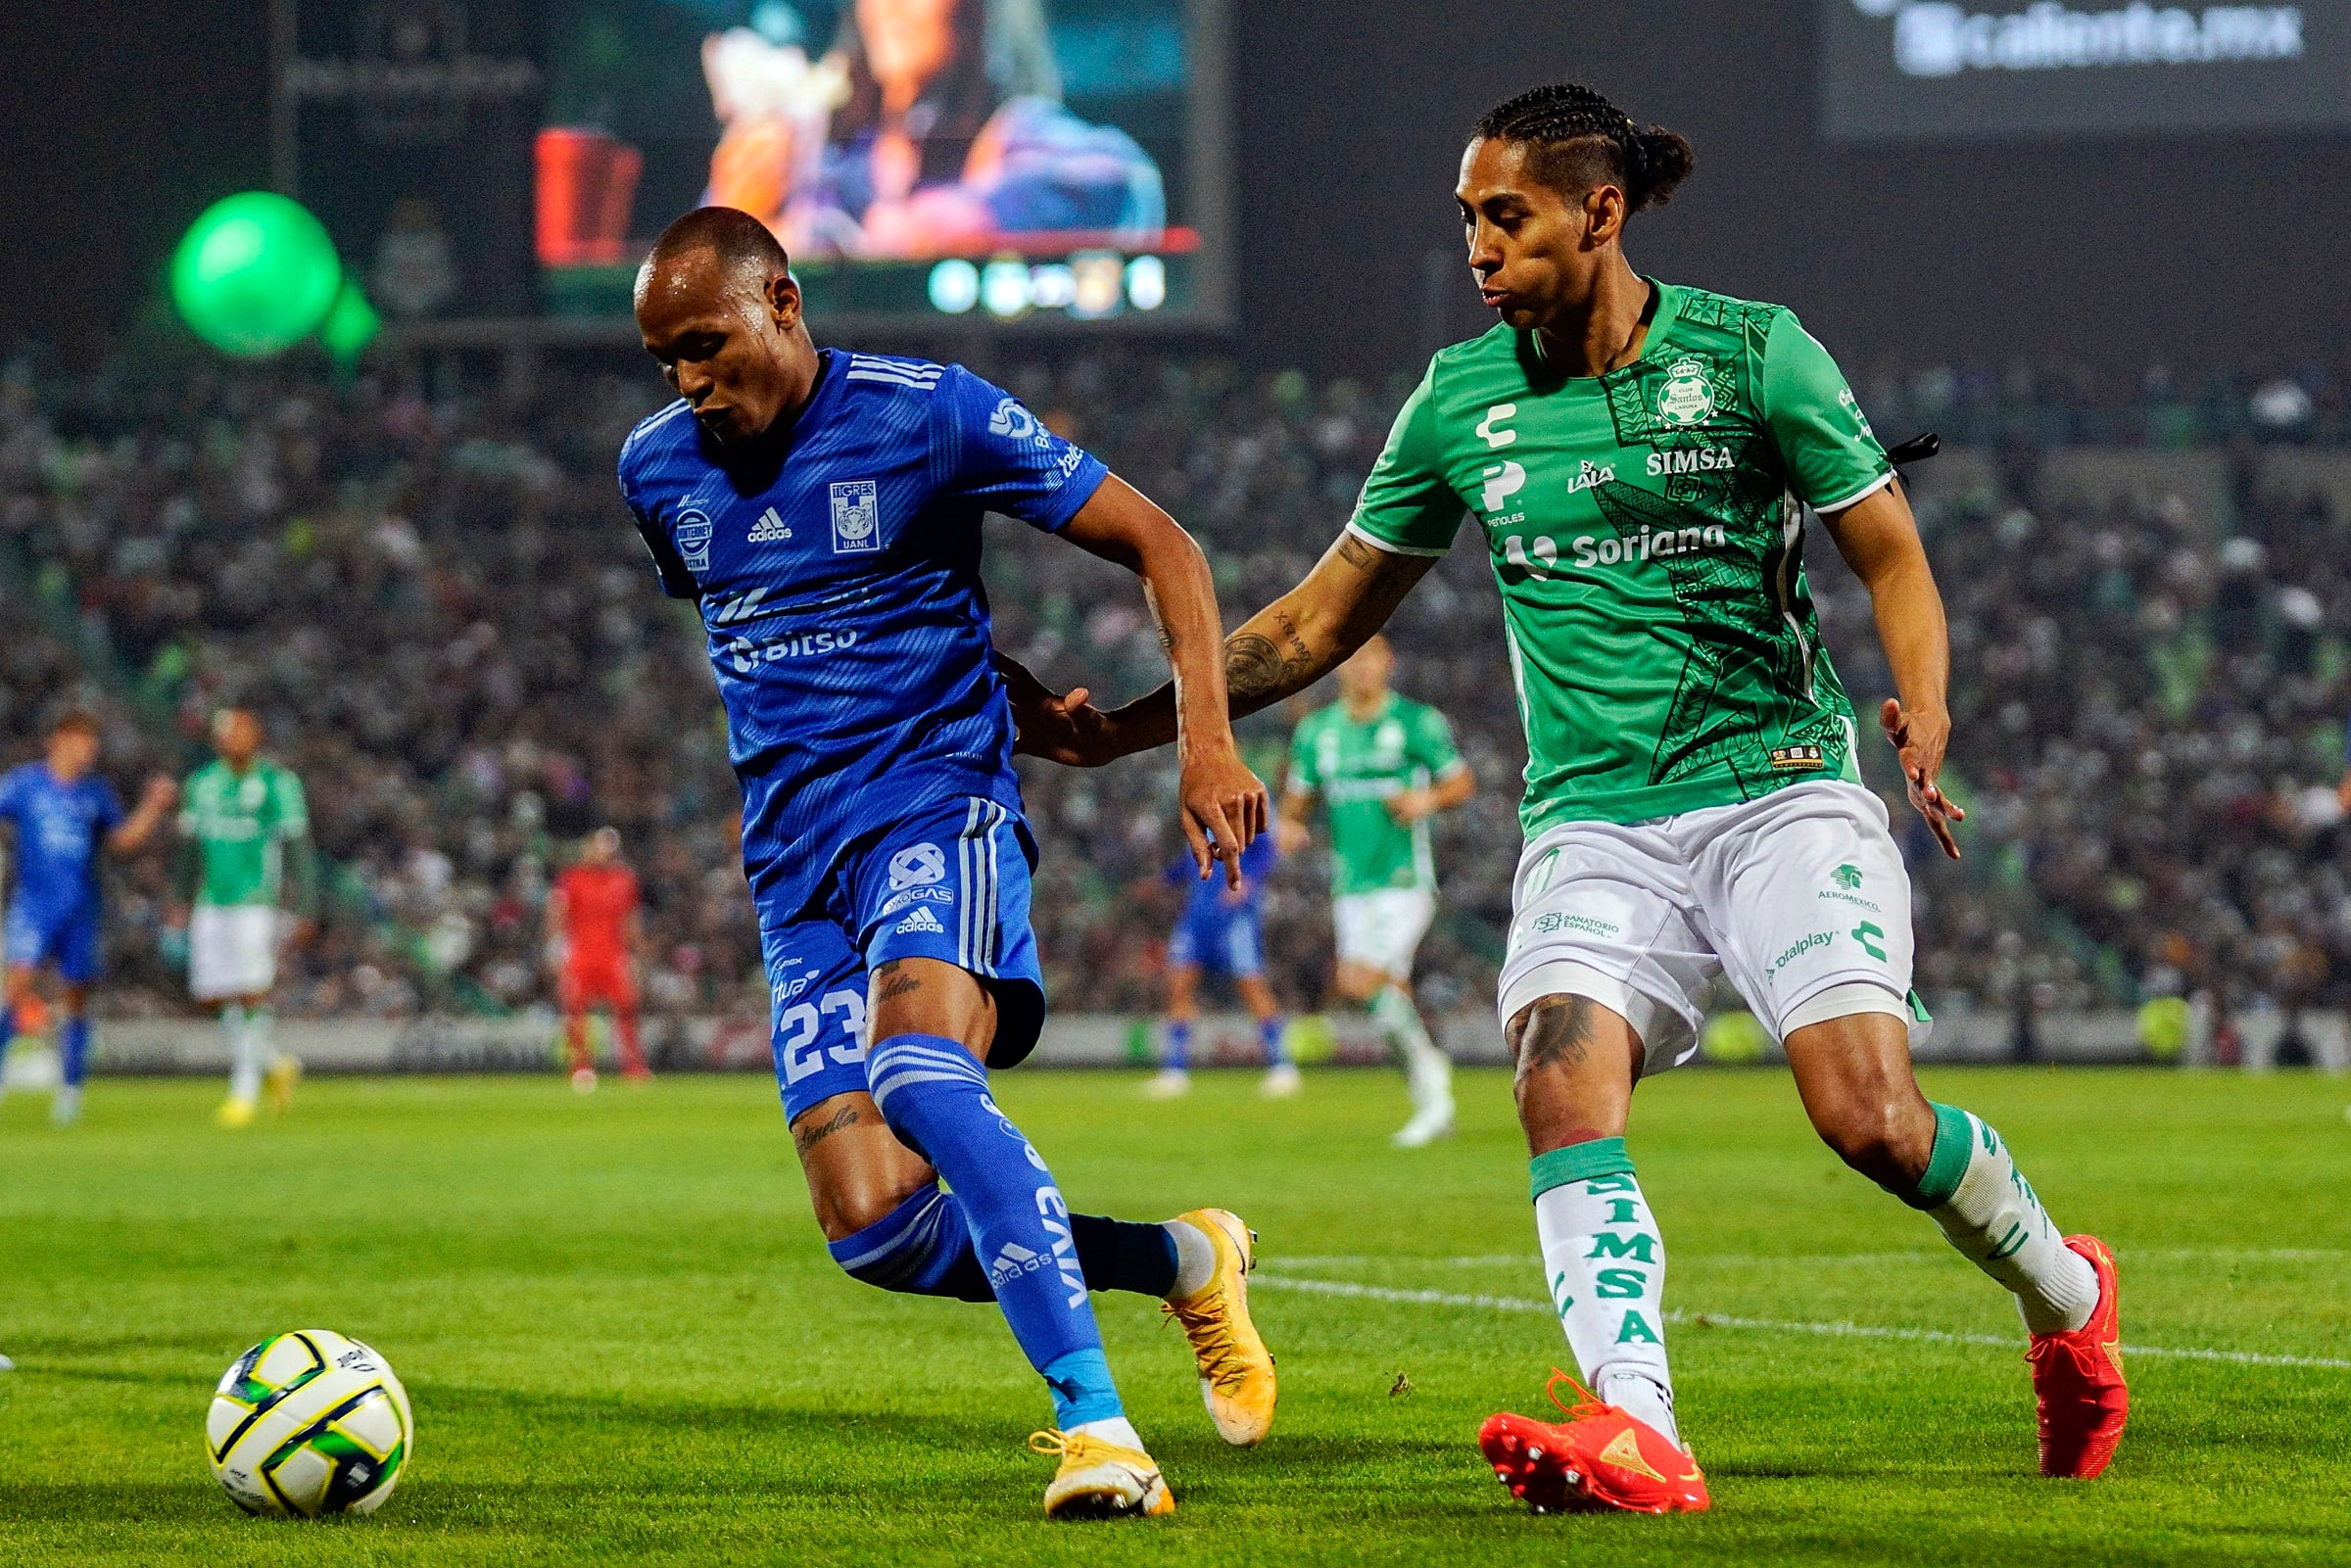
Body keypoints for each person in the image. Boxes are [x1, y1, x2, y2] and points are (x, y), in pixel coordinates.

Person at [1022, 82, 2128, 1514]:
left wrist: (1922, 697)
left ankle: (2066, 1289)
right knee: (1556, 1075)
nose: (1480, 247)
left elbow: (1892, 555)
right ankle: (1638, 1425)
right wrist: (1135, 731)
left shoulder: (1754, 355)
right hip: (1594, 820)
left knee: (1869, 1119)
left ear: (1599, 213)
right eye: (1468, 220)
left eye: (1508, 215)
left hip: (1779, 792)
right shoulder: (1460, 401)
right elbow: (1316, 619)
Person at [623, 205, 1273, 1518]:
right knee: (874, 1226)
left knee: (917, 1072)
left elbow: (1166, 545)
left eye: (708, 344)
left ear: (782, 304)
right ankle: (1181, 1257)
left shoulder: (930, 413)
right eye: (666, 361)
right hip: (794, 866)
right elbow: (797, 623)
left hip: (934, 811)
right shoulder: (657, 471)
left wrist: (1200, 743)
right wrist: (1001, 678)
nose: (691, 382)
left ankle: (1099, 1429)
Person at [703, 0, 1164, 259]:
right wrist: (731, 217)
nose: (889, 9)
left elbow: (1121, 178)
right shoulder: (834, 161)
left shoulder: (1014, 134)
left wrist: (958, 221)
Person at [1278, 634, 1473, 1146]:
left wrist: (1424, 800)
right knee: (1390, 997)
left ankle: (1435, 1093)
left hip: (1405, 881)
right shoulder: (1317, 732)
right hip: (1351, 886)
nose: (1361, 668)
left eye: (1371, 658)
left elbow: (1460, 782)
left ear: (1388, 663)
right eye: (1352, 658)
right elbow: (1295, 805)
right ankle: (1432, 1097)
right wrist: (1290, 828)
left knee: (1359, 980)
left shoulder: (1414, 723)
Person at [0, 710, 175, 1125]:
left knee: (76, 997)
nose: (88, 751)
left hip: (80, 908)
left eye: (92, 744)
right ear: (58, 740)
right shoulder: (26, 785)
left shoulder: (95, 794)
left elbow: (123, 842)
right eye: (82, 742)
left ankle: (70, 1090)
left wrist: (152, 806)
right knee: (17, 985)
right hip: (34, 904)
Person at [171, 709, 317, 1129]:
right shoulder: (201, 785)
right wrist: (178, 896)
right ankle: (275, 1064)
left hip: (255, 900)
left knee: (252, 990)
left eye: (241, 731)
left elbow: (298, 847)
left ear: (256, 735)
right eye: (226, 732)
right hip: (211, 900)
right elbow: (188, 848)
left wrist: (305, 905)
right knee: (211, 995)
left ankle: (244, 1090)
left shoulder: (278, 783)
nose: (233, 739)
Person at [1145, 829, 1295, 1100]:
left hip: (1234, 916)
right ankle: (1175, 1071)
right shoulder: (1195, 813)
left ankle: (1282, 1066)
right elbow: (1191, 862)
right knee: (1178, 988)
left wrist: (1248, 883)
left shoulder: (1239, 805)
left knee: (1252, 987)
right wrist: (1163, 880)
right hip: (1197, 916)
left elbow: (1267, 850)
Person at [549, 827, 650, 1091]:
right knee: (576, 1012)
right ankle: (580, 1066)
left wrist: (637, 955)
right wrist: (555, 948)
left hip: (613, 954)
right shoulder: (571, 879)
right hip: (581, 954)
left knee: (627, 1010)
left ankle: (633, 1065)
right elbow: (558, 914)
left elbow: (631, 920)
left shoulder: (625, 880)